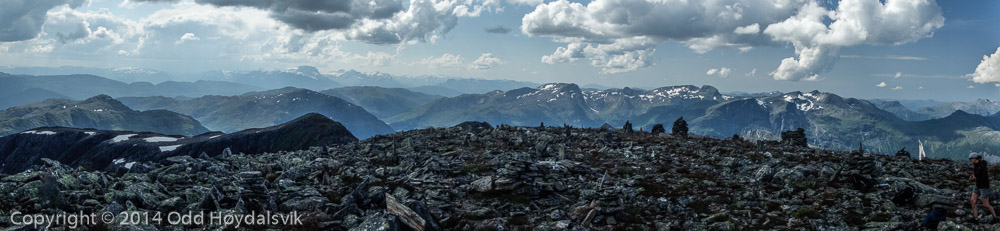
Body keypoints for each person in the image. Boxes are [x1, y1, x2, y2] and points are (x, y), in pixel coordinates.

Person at [970, 155, 998, 222]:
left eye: (971, 159)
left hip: (984, 187)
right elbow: (976, 173)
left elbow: (983, 176)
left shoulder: (982, 166)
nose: (970, 160)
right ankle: (975, 218)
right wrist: (973, 176)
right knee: (972, 201)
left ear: (975, 158)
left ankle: (995, 218)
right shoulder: (975, 165)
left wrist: (975, 177)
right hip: (977, 185)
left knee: (986, 204)